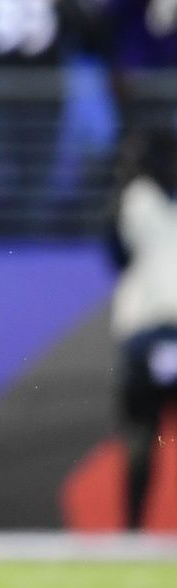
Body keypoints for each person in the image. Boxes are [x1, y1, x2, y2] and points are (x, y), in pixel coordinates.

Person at [109, 128, 177, 530]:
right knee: (141, 436)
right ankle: (132, 529)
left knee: (141, 436)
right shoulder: (139, 200)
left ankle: (132, 530)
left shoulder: (135, 199)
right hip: (154, 332)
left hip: (147, 332)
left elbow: (115, 253)